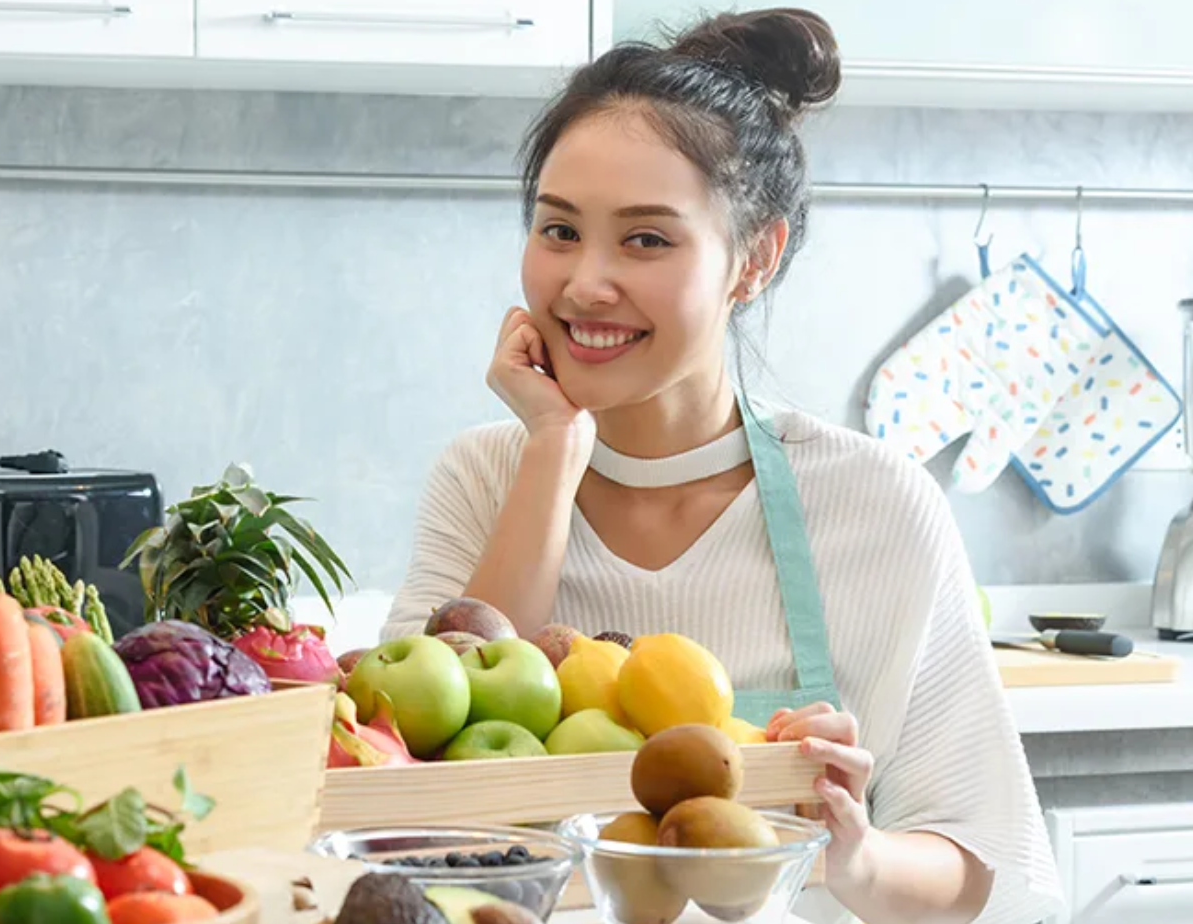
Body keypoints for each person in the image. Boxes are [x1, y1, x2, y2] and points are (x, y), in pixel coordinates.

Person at [380, 8, 1063, 924]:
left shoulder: (872, 502)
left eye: (647, 239)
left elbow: (976, 865)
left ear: (754, 259)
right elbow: (413, 802)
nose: (584, 283)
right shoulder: (483, 476)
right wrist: (552, 450)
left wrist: (850, 851)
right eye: (558, 230)